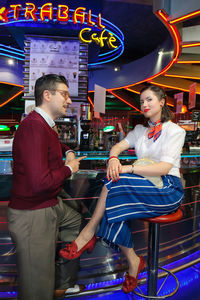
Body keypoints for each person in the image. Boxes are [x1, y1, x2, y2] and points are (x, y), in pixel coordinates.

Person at [60, 84, 186, 293]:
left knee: (113, 186)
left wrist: (127, 168)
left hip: (168, 189)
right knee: (113, 185)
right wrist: (113, 159)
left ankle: (90, 233)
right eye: (142, 102)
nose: (144, 104)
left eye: (149, 100)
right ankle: (132, 260)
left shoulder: (176, 131)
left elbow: (164, 167)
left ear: (162, 102)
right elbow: (117, 146)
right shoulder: (139, 130)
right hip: (146, 186)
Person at [7, 74, 86, 300]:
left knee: (79, 223)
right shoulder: (34, 127)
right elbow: (39, 182)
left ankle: (63, 282)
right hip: (32, 213)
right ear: (47, 95)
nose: (69, 100)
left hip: (49, 205)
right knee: (36, 288)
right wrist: (69, 169)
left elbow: (53, 143)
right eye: (64, 94)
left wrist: (67, 150)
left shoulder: (45, 126)